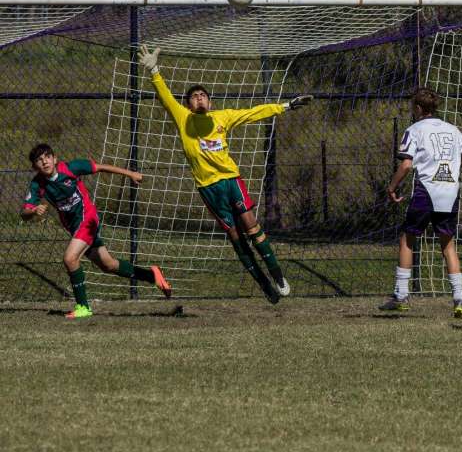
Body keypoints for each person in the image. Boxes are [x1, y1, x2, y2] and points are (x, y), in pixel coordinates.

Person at [139, 45, 311, 304]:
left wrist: (286, 106)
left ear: (210, 101)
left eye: (203, 95)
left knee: (252, 227)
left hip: (231, 180)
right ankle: (263, 283)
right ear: (188, 103)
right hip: (209, 187)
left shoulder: (223, 117)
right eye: (194, 96)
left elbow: (254, 113)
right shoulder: (183, 118)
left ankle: (277, 275)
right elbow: (164, 96)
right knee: (234, 236)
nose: (199, 98)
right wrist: (154, 70)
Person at [20, 143, 172, 319]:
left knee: (70, 258)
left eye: (47, 157)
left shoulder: (70, 168)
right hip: (75, 227)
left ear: (54, 158)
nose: (44, 161)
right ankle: (152, 276)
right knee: (108, 265)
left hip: (88, 219)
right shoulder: (37, 184)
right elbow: (24, 213)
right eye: (39, 160)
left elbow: (100, 167)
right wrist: (32, 211)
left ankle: (83, 307)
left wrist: (130, 174)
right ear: (34, 167)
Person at [381, 87, 462, 317]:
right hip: (450, 192)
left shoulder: (414, 130)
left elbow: (406, 165)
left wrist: (392, 187)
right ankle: (459, 299)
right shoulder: (453, 130)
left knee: (407, 238)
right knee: (448, 245)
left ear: (419, 108)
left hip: (426, 191)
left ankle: (401, 296)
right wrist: (450, 166)